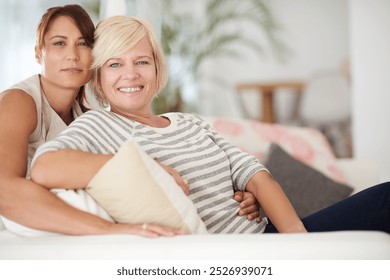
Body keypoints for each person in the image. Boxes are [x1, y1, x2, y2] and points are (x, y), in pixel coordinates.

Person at [30, 16, 390, 234]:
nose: (130, 75)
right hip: (235, 256)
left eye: (142, 61)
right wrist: (144, 169)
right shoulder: (100, 125)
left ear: (157, 71)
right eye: (114, 64)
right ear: (97, 77)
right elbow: (44, 167)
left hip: (272, 239)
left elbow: (254, 173)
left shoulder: (190, 123)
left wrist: (295, 241)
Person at [0, 6, 258, 237]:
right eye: (59, 43)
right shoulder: (19, 102)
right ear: (38, 53)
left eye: (82, 44)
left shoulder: (89, 117)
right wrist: (111, 230)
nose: (73, 55)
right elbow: (4, 191)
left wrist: (233, 194)